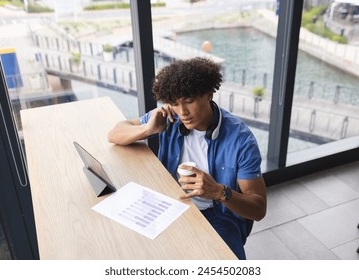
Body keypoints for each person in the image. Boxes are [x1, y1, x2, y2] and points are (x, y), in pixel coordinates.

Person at [108, 57, 266, 260]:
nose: (182, 112)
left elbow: (258, 209)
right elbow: (114, 133)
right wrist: (147, 129)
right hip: (168, 205)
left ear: (209, 94)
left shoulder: (241, 140)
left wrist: (219, 192)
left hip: (216, 216)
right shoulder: (169, 118)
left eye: (189, 101)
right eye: (174, 103)